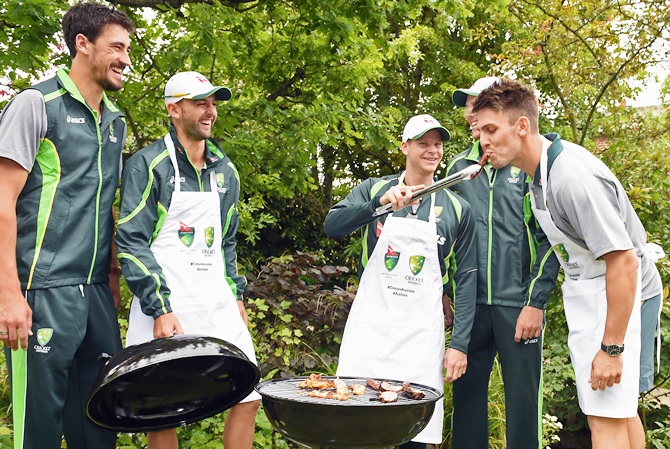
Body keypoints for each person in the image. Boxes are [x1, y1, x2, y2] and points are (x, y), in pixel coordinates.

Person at [471, 78, 662, 449]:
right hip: (589, 290)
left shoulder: (570, 177)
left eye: (492, 130)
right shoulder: (536, 176)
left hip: (619, 292)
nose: (484, 142)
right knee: (620, 411)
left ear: (522, 126)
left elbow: (623, 262)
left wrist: (611, 350)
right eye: (480, 132)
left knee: (602, 415)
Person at [0, 3, 134, 448]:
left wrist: (112, 277)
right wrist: (9, 295)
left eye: (128, 49)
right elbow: (2, 204)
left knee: (100, 426)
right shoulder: (36, 105)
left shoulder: (115, 122)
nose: (125, 59)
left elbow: (106, 205)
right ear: (82, 44)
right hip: (40, 290)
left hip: (94, 293)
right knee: (37, 431)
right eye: (116, 47)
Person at [115, 71, 260, 449]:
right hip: (165, 304)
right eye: (201, 103)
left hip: (215, 301)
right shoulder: (150, 164)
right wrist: (159, 306)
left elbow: (226, 242)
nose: (210, 111)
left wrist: (237, 296)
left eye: (213, 103)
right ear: (173, 109)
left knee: (248, 394)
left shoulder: (226, 171)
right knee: (163, 408)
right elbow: (131, 241)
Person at [324, 114, 478, 448]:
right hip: (371, 330)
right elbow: (333, 225)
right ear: (405, 146)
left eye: (437, 144)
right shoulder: (375, 189)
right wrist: (378, 205)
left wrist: (460, 344)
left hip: (420, 337)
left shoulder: (457, 208)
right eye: (423, 143)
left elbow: (466, 279)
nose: (432, 150)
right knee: (355, 426)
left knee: (415, 432)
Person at [447, 77, 560, 449]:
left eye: (475, 103)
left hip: (518, 306)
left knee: (523, 407)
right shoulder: (459, 168)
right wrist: (447, 294)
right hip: (471, 306)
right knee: (466, 403)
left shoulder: (528, 165)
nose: (470, 114)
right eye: (466, 106)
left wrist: (535, 302)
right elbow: (446, 236)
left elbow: (549, 239)